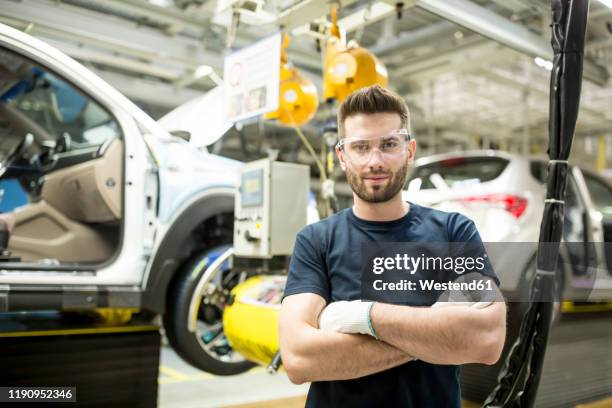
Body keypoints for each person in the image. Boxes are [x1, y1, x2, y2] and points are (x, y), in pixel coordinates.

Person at [279, 85, 507, 407]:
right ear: (343, 156)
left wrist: (360, 317)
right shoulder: (316, 240)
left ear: (409, 150)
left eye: (389, 144)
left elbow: (487, 339)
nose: (375, 161)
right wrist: (437, 335)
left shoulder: (454, 231)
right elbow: (299, 359)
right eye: (360, 147)